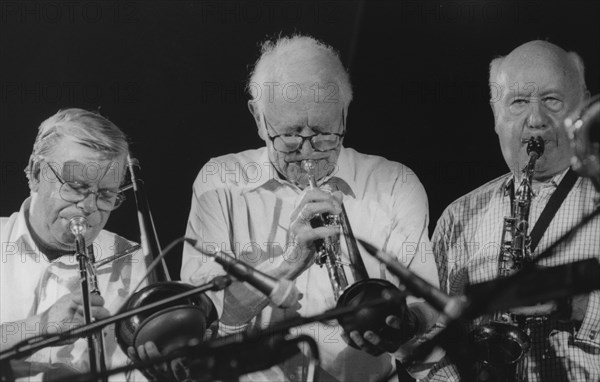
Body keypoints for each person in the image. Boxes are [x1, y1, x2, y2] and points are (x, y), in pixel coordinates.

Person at [180, 34, 442, 382]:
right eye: (289, 136)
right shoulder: (218, 182)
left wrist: (402, 324)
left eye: (323, 133)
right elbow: (207, 323)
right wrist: (288, 264)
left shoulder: (394, 183)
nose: (307, 152)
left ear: (344, 115)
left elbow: (428, 303)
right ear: (258, 119)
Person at [428, 40, 600, 381]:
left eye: (552, 100)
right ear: (496, 116)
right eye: (519, 102)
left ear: (581, 108)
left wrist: (573, 304)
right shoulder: (457, 216)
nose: (536, 119)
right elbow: (434, 336)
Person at [0, 108, 149, 381]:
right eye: (76, 187)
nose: (90, 207)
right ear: (35, 173)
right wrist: (38, 328)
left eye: (106, 194)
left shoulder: (134, 261)